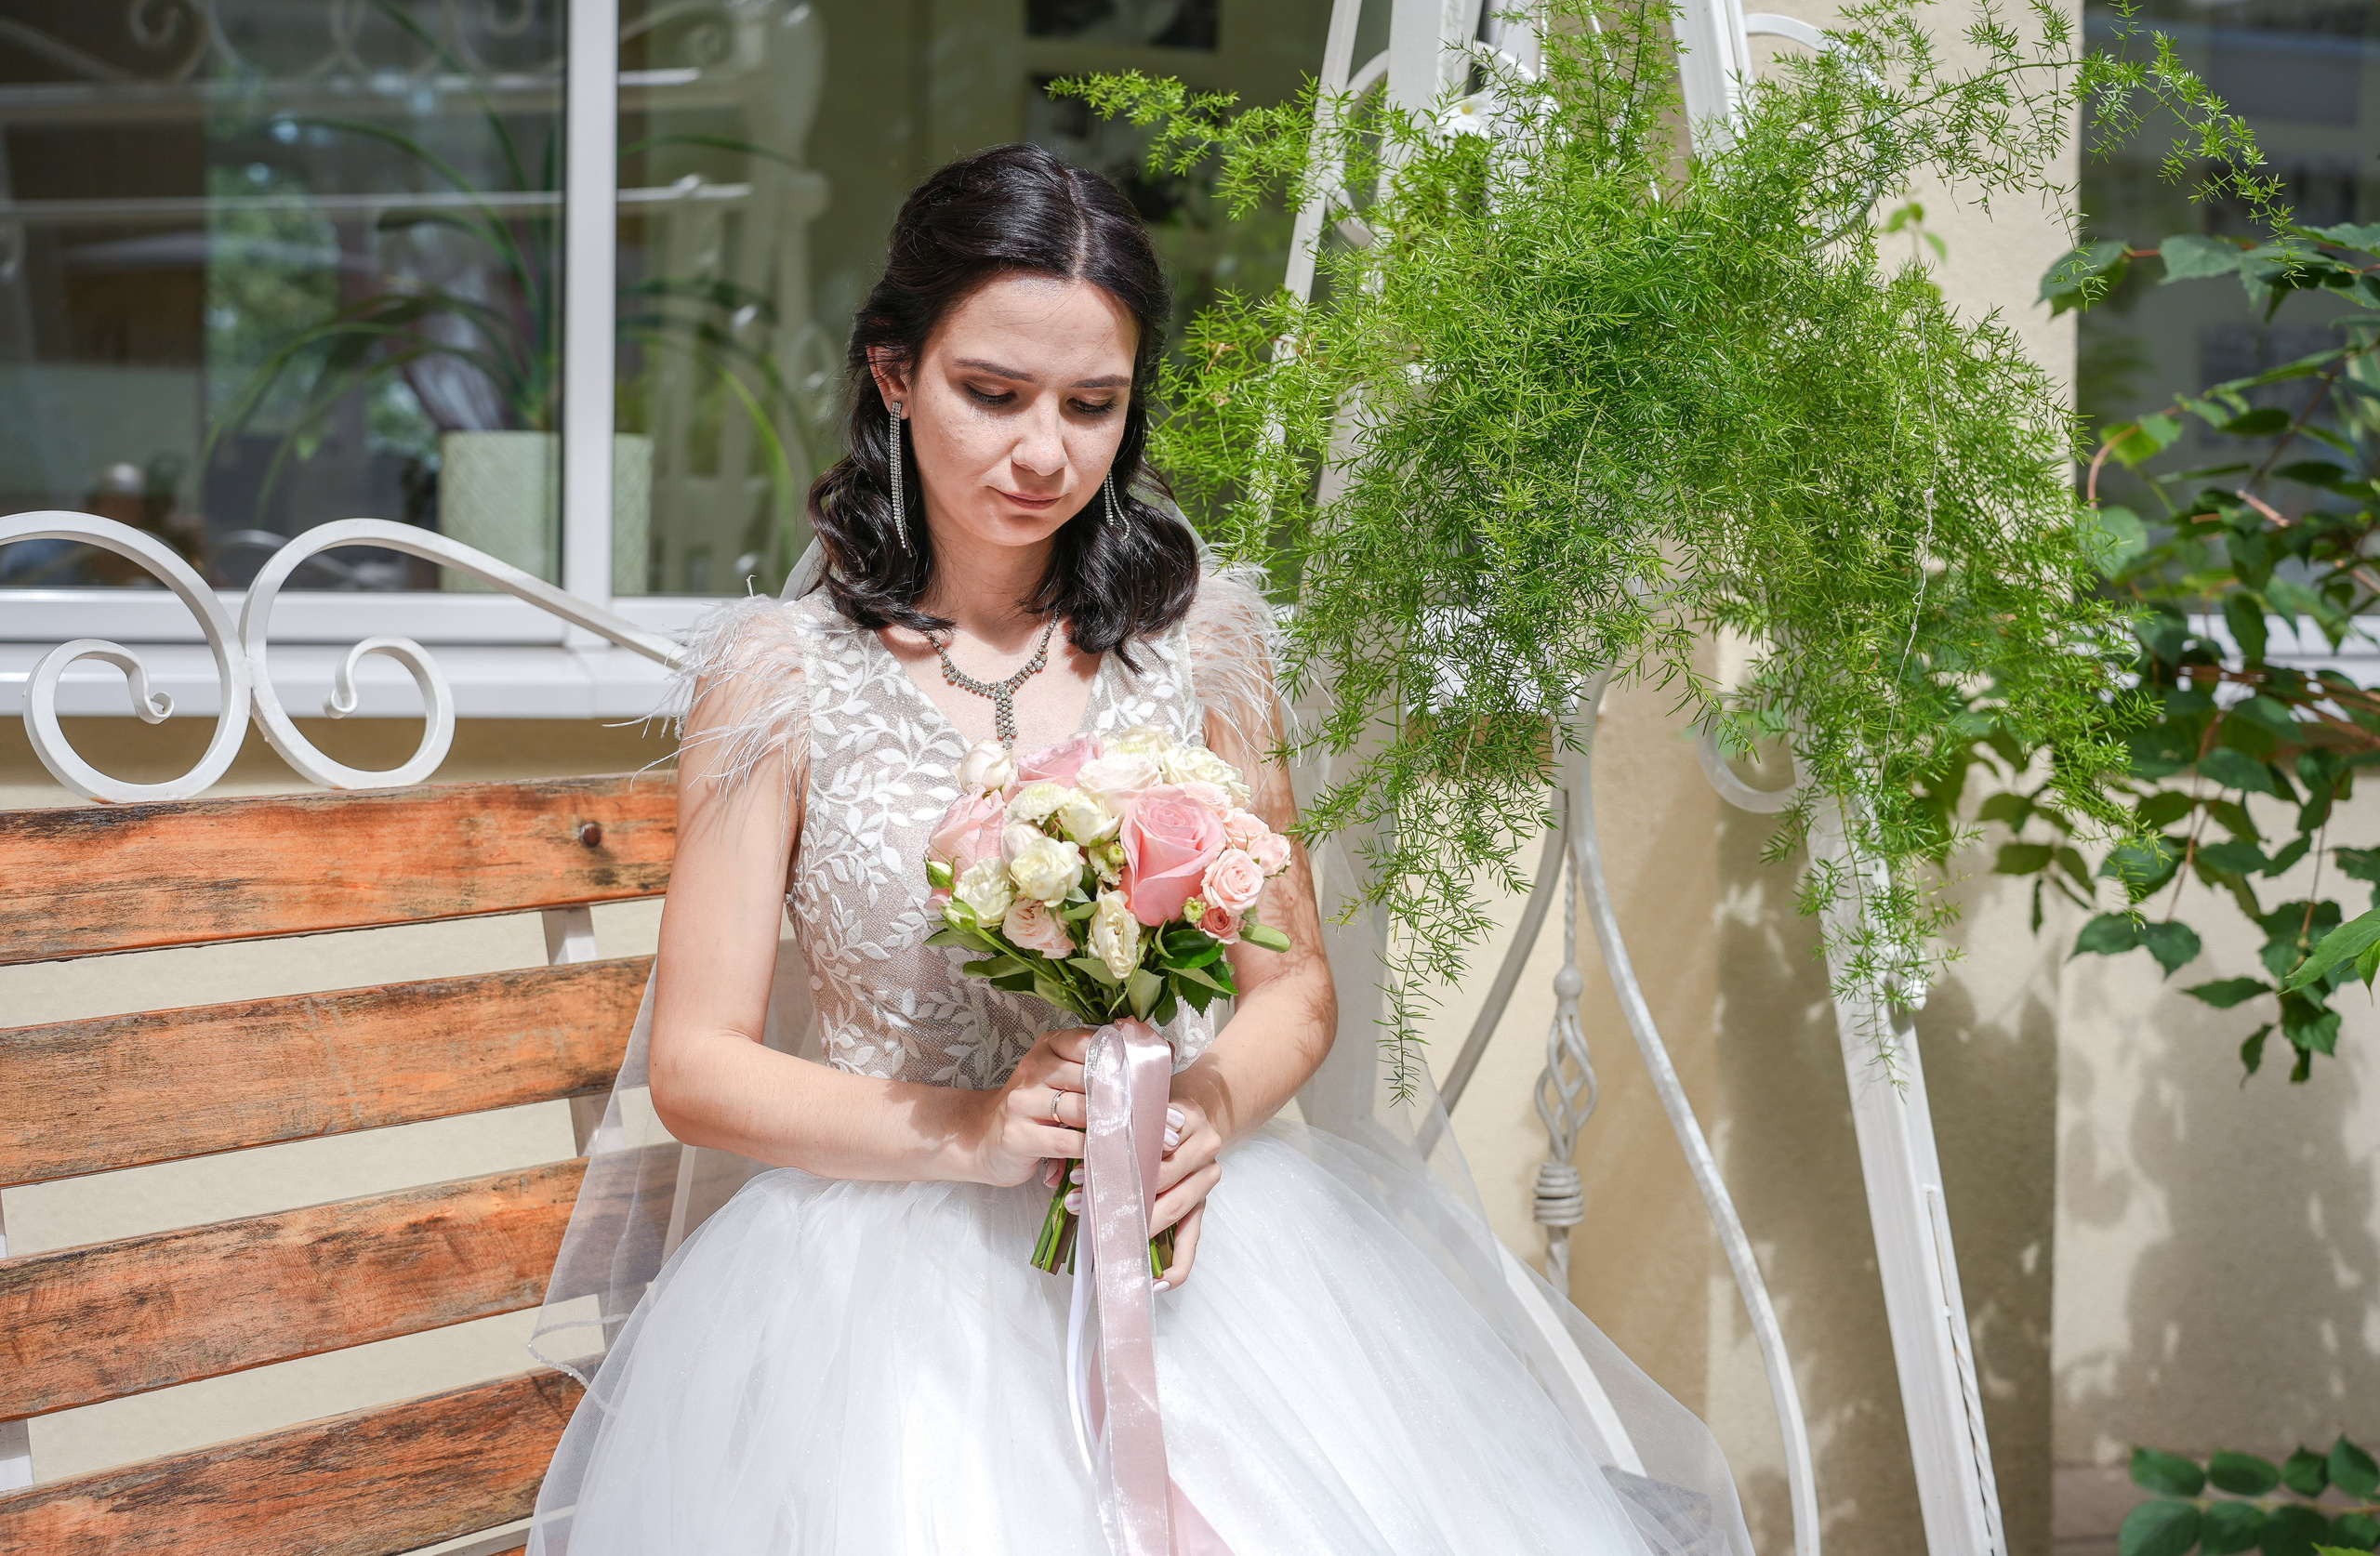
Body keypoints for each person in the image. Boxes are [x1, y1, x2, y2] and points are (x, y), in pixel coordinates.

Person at [524, 142, 1751, 1556]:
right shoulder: (780, 677)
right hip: (879, 1282)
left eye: (1092, 405)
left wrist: (1205, 1111)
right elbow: (696, 1067)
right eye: (993, 394)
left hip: (1200, 1256)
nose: (1044, 452)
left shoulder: (1201, 650)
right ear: (894, 374)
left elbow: (1294, 989)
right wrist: (976, 1135)